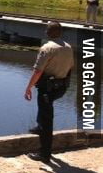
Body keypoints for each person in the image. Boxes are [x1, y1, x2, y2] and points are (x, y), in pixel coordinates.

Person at [24, 22, 74, 163]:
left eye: (47, 29)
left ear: (48, 32)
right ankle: (39, 126)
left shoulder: (47, 48)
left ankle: (44, 154)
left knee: (47, 121)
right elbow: (70, 68)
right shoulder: (68, 47)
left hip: (47, 88)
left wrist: (29, 87)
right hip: (61, 87)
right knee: (45, 112)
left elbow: (38, 71)